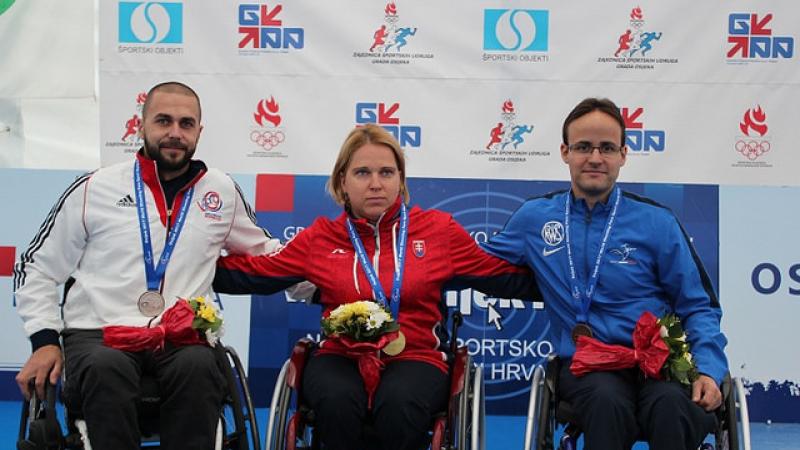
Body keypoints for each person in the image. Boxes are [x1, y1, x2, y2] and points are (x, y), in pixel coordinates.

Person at [214, 123, 538, 450]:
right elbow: (255, 271)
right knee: (337, 401)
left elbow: (501, 275)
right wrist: (193, 262)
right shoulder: (321, 237)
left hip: (415, 353)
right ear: (342, 181)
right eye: (362, 173)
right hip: (340, 353)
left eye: (386, 172)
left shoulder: (439, 232)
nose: (375, 184)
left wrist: (561, 283)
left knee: (399, 405)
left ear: (400, 180)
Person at [13, 81, 297, 449]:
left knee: (197, 366)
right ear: (140, 125)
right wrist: (44, 341)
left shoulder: (220, 191)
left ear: (199, 131)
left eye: (186, 124)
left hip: (181, 335)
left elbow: (265, 252)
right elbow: (36, 267)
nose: (175, 133)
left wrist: (322, 267)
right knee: (106, 368)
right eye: (163, 121)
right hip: (99, 333)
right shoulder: (94, 188)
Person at [482, 98, 728, 450]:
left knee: (673, 405)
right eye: (583, 147)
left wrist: (708, 369)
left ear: (623, 155)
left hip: (658, 361)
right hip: (589, 366)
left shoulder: (657, 222)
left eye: (607, 148)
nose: (595, 158)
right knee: (606, 401)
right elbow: (475, 263)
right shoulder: (535, 219)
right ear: (565, 152)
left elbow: (698, 306)